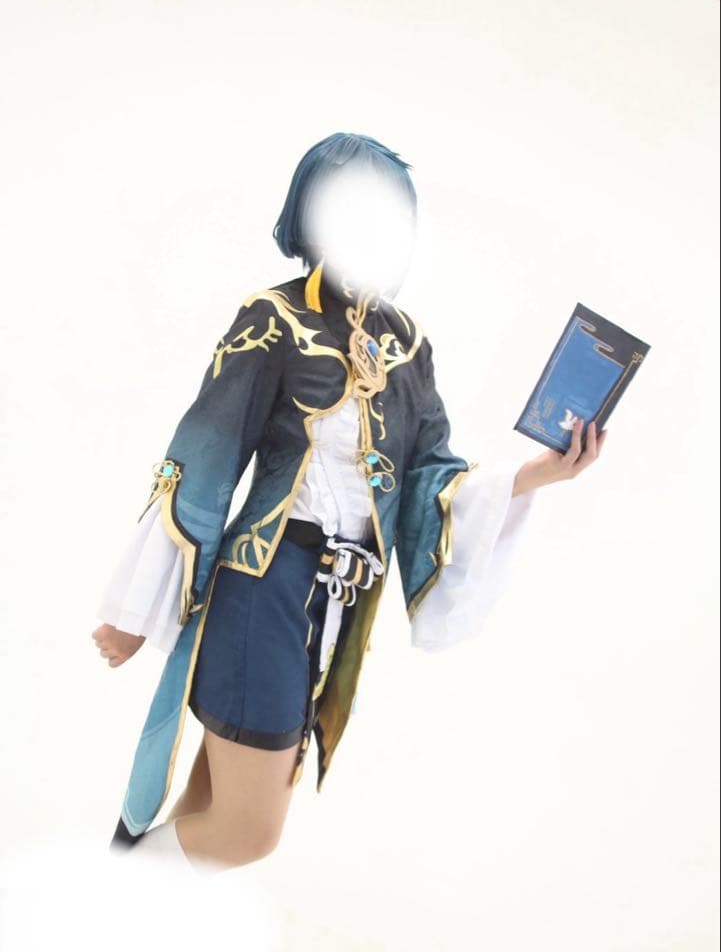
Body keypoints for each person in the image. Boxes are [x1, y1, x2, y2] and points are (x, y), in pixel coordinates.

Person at [92, 132, 607, 876]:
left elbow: (430, 476)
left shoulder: (407, 344)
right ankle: (112, 898)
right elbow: (203, 456)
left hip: (337, 609)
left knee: (215, 805)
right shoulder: (273, 318)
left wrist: (534, 474)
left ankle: (124, 935)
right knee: (247, 832)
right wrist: (135, 609)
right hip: (261, 588)